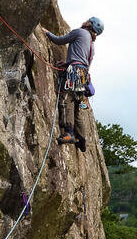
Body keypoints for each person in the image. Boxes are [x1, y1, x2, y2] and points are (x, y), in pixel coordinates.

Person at [42, 17, 104, 152]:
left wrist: (47, 33)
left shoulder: (80, 32)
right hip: (83, 76)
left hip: (74, 73)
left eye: (88, 20)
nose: (85, 21)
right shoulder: (92, 46)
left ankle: (69, 133)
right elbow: (83, 61)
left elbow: (59, 41)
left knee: (66, 100)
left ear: (90, 24)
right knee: (76, 106)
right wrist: (67, 63)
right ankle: (82, 139)